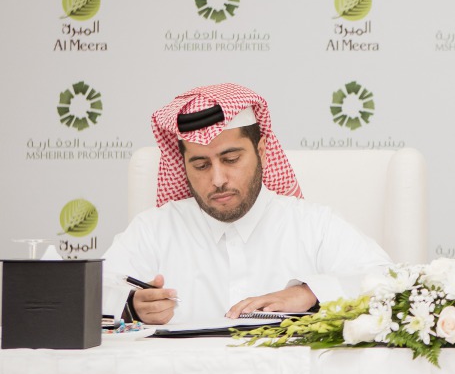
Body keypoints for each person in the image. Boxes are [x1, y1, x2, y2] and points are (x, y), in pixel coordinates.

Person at [102, 83, 392, 325]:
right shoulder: (153, 230)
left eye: (231, 160)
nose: (218, 179)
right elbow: (93, 296)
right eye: (201, 165)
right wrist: (132, 307)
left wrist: (310, 292)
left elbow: (391, 283)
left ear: (262, 152)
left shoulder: (314, 226)